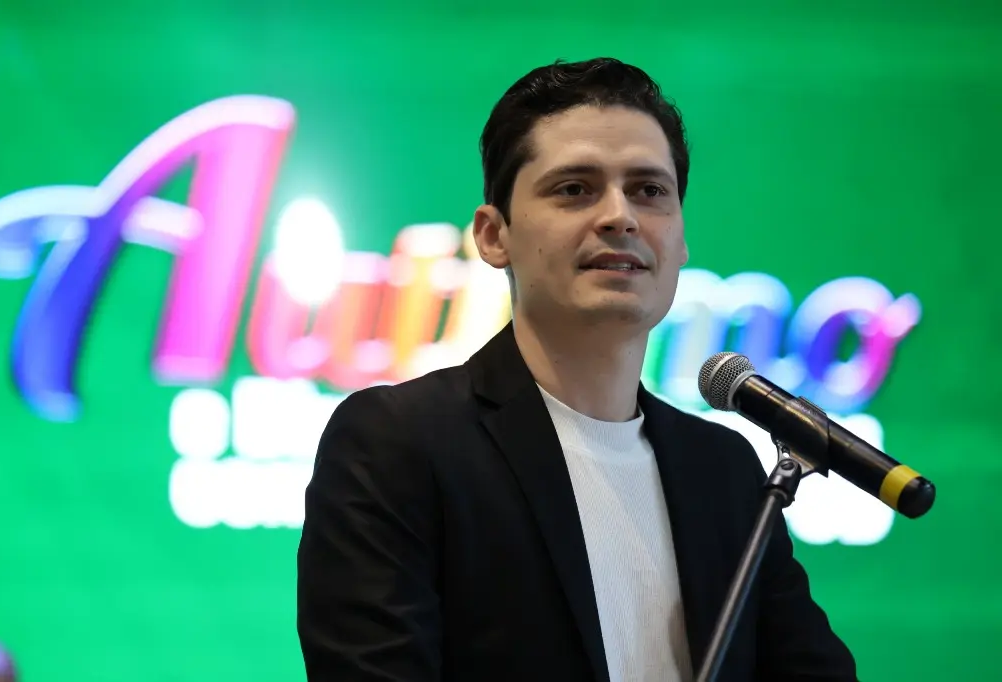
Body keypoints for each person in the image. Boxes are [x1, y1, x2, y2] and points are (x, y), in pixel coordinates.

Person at [297, 57, 858, 682]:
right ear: (492, 235)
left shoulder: (722, 469)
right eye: (575, 189)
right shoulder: (398, 443)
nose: (620, 216)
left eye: (649, 191)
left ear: (680, 238)